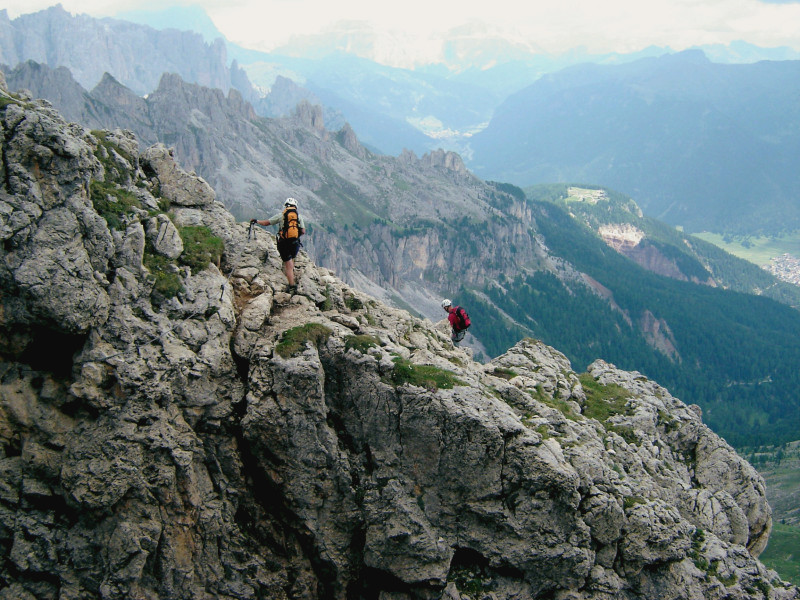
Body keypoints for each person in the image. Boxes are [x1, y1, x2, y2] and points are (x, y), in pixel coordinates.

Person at [251, 198, 306, 291]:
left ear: (286, 206)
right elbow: (303, 231)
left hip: (284, 243)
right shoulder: (298, 216)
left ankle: (291, 285)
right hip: (295, 243)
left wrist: (256, 221)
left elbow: (266, 223)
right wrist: (296, 236)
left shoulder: (281, 215)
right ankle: (291, 273)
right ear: (295, 207)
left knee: (288, 264)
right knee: (291, 260)